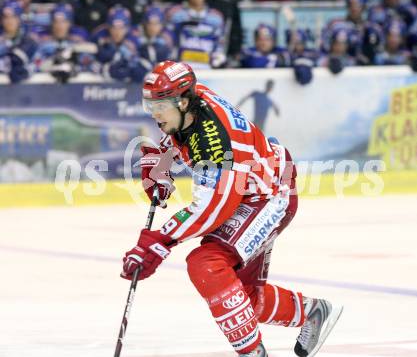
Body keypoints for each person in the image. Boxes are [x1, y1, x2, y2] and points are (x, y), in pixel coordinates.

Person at [120, 60, 343, 357]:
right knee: (243, 301)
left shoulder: (215, 143)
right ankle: (314, 312)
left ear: (184, 101)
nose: (155, 114)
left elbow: (214, 207)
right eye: (151, 106)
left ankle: (252, 353)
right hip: (255, 187)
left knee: (206, 263)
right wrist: (161, 162)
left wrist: (160, 241)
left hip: (266, 196)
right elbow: (179, 136)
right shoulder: (192, 106)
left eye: (160, 106)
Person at [166, 0, 226, 69]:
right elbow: (167, 41)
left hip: (208, 69)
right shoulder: (174, 13)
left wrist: (217, 58)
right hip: (179, 69)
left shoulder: (216, 17)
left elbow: (220, 44)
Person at [0, 0, 37, 83]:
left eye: (13, 17)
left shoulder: (29, 41)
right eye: (6, 17)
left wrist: (28, 70)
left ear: (19, 18)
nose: (9, 21)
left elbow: (37, 61)